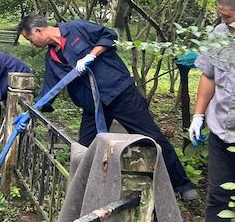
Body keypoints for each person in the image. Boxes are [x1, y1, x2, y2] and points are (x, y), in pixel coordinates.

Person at [18, 14, 198, 199]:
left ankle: (182, 185)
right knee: (84, 151)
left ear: (38, 31)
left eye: (28, 38)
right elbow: (49, 89)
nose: (31, 43)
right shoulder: (53, 58)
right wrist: (30, 113)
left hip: (120, 93)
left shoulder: (77, 28)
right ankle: (85, 197)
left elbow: (109, 35)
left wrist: (91, 55)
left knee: (152, 137)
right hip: (93, 106)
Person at [190, 0, 235, 222]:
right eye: (220, 15)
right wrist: (198, 115)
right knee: (219, 194)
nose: (222, 21)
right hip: (221, 130)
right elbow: (209, 74)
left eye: (228, 16)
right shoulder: (219, 33)